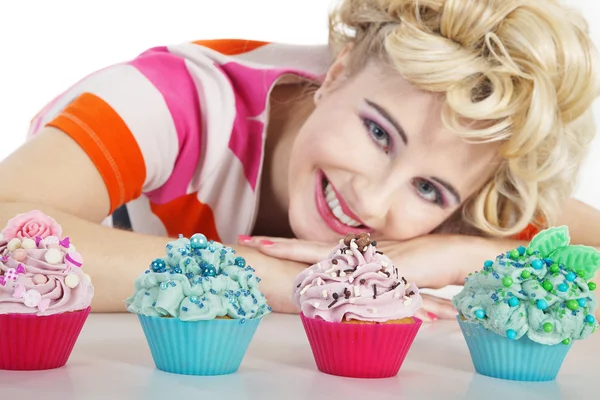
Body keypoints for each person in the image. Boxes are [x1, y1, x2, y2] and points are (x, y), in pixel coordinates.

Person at [1, 0, 599, 321]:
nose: (373, 200)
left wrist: (473, 252)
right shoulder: (168, 101)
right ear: (335, 75)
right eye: (377, 133)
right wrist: (284, 280)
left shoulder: (474, 186)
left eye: (430, 190)